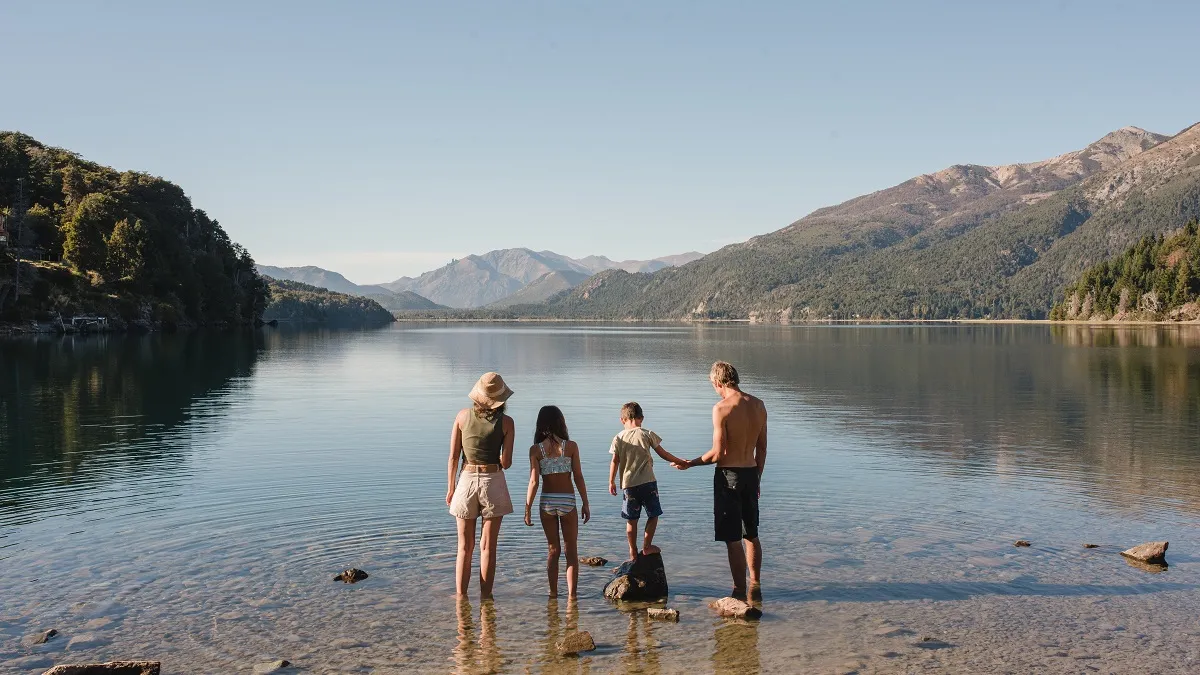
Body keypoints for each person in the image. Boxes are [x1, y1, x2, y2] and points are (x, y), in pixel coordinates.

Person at [675, 362, 768, 601]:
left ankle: (738, 591)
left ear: (718, 382)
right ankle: (755, 585)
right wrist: (757, 478)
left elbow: (717, 454)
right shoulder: (759, 405)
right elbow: (762, 448)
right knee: (752, 534)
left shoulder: (721, 408)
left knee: (732, 537)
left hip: (729, 477)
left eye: (713, 385)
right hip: (750, 474)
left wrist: (691, 463)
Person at [447, 372, 516, 599]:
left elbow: (453, 457)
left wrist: (451, 488)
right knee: (487, 547)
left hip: (465, 480)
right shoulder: (507, 423)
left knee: (464, 548)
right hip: (492, 480)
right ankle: (486, 600)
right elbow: (505, 463)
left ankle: (461, 599)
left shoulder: (461, 417)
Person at [523, 405, 591, 597]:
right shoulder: (571, 447)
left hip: (547, 503)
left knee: (553, 550)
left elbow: (534, 481)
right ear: (561, 423)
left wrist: (527, 507)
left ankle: (553, 594)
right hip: (568, 501)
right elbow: (578, 476)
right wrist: (585, 502)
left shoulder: (536, 450)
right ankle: (572, 597)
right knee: (571, 551)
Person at [609, 402, 687, 561]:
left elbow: (614, 461)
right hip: (648, 483)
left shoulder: (618, 438)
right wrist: (681, 461)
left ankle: (632, 551)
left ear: (622, 420)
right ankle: (646, 546)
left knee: (631, 519)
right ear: (641, 418)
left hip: (628, 485)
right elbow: (664, 454)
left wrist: (611, 482)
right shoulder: (647, 434)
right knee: (653, 514)